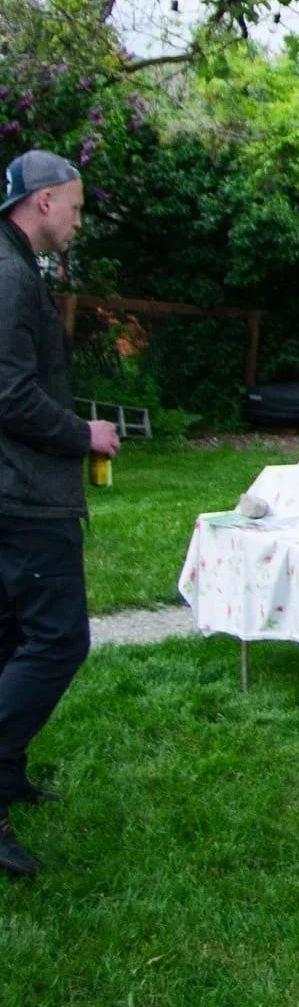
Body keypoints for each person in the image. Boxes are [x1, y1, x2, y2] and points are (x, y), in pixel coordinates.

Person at [0, 152, 117, 881]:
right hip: (25, 497)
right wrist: (84, 435)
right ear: (43, 201)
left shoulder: (16, 267)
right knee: (57, 640)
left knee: (11, 636)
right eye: (73, 205)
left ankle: (6, 781)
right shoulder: (10, 276)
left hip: (14, 491)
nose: (78, 218)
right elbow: (7, 392)